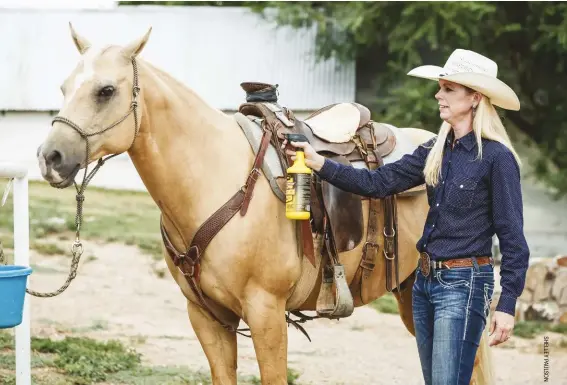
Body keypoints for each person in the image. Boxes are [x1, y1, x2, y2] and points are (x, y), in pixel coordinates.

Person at [283, 49, 530, 385]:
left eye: (448, 89)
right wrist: (318, 162)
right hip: (425, 282)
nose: (437, 94)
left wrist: (507, 304)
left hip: (465, 284)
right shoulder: (435, 151)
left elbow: (513, 237)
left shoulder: (497, 159)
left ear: (475, 98)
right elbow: (377, 182)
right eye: (440, 87)